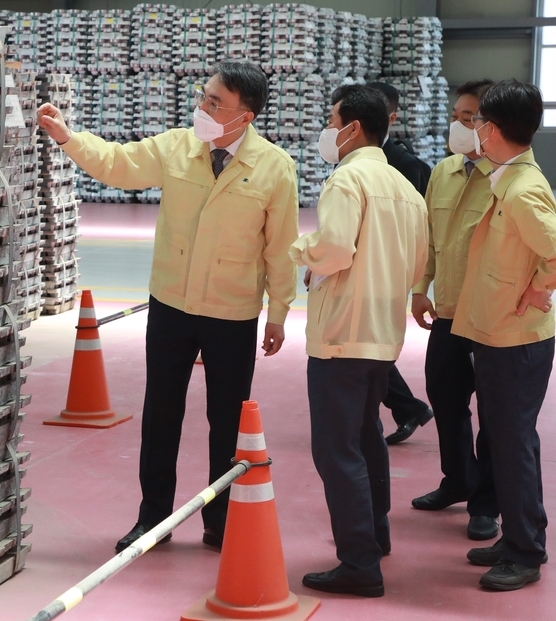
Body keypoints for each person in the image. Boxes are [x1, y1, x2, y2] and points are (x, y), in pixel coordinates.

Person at [36, 61, 299, 553]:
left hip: (232, 312)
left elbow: (279, 247)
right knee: (161, 414)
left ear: (246, 117)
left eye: (216, 103)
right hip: (172, 305)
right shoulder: (179, 146)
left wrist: (279, 311)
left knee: (227, 421)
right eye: (204, 97)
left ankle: (220, 519)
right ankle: (153, 517)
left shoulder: (274, 167)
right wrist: (68, 137)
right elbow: (119, 164)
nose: (203, 107)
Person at [290, 86, 428, 597]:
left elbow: (334, 249)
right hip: (383, 333)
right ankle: (375, 535)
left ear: (350, 128)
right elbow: (418, 266)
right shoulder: (403, 186)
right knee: (367, 438)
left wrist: (300, 251)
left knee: (336, 449)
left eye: (331, 120)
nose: (327, 131)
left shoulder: (346, 180)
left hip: (341, 334)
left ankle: (359, 563)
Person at [451, 79, 555, 591]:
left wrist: (539, 289)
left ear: (491, 129)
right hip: (498, 334)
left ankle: (525, 551)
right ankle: (517, 532)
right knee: (505, 439)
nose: (472, 130)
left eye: (476, 122)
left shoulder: (523, 188)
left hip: (517, 341)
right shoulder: (506, 178)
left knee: (513, 444)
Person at [409, 79, 500, 543]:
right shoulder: (443, 171)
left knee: (493, 411)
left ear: (491, 125)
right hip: (447, 311)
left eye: (471, 118)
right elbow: (429, 237)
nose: (461, 125)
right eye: (458, 116)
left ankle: (487, 502)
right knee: (445, 397)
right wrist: (419, 288)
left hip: (490, 317)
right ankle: (458, 480)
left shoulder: (507, 175)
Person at [352, 81, 434, 446]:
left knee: (371, 348)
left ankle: (407, 408)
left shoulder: (405, 163)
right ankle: (407, 408)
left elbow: (412, 226)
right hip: (357, 268)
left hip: (384, 270)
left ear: (390, 117)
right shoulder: (351, 158)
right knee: (368, 347)